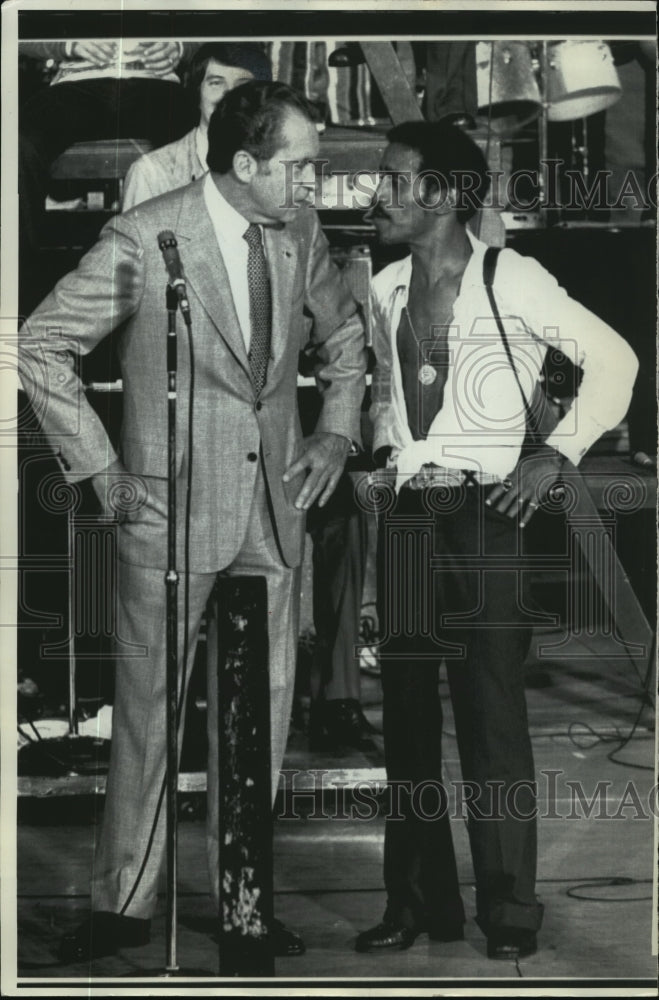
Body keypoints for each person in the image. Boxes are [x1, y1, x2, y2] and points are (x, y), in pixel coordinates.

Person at [18, 80, 367, 963]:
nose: (311, 184)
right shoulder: (147, 235)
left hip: (276, 508)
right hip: (166, 513)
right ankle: (124, 905)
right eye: (298, 167)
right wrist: (103, 472)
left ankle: (246, 901)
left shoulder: (302, 232)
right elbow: (39, 344)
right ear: (244, 165)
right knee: (148, 717)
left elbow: (346, 341)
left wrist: (332, 431)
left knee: (266, 716)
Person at [355, 121, 638, 959]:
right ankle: (415, 903)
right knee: (403, 722)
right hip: (408, 517)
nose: (380, 194)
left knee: (490, 720)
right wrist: (382, 457)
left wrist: (553, 455)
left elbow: (613, 361)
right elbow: (383, 395)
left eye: (397, 181)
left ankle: (509, 912)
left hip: (486, 520)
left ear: (443, 196)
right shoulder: (384, 289)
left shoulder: (510, 276)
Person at [18, 39, 193, 315]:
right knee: (17, 143)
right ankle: (23, 307)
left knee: (209, 134)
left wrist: (180, 46)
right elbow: (16, 25)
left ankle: (192, 298)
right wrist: (68, 45)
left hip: (156, 84)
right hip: (77, 84)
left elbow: (221, 23)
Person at [122, 42, 271, 209]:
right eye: (216, 82)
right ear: (197, 93)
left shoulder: (279, 168)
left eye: (243, 84)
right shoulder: (151, 174)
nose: (229, 94)